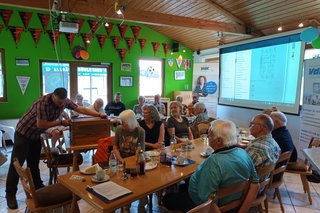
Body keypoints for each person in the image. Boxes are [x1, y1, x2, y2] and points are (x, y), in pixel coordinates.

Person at [5, 88, 107, 209]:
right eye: (59, 103)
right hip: (23, 133)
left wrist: (99, 114)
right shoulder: (42, 103)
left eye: (63, 103)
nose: (62, 105)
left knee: (33, 164)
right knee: (17, 164)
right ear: (53, 96)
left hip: (35, 135)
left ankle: (38, 188)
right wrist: (61, 123)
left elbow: (80, 109)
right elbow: (41, 124)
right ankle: (10, 195)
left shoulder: (64, 100)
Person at [163, 120, 259, 212]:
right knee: (183, 187)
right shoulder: (243, 153)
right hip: (232, 200)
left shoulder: (214, 162)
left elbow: (209, 203)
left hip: (203, 206)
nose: (207, 137)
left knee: (167, 199)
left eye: (209, 135)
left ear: (219, 141)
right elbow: (255, 184)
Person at [113, 110, 147, 212]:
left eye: (125, 123)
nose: (122, 125)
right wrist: (121, 160)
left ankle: (141, 205)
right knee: (124, 182)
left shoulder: (140, 131)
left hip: (135, 160)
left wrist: (135, 160)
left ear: (131, 122)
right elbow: (115, 147)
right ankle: (126, 206)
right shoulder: (119, 129)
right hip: (121, 160)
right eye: (122, 123)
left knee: (142, 181)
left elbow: (141, 150)